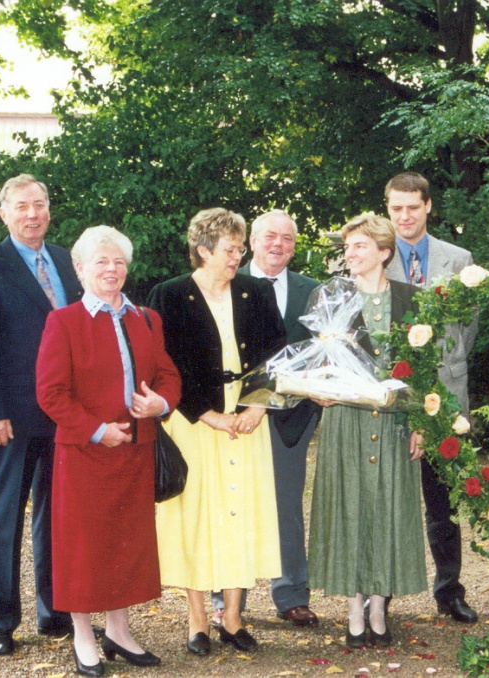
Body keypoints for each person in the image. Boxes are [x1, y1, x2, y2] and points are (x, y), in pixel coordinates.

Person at [35, 226, 182, 676]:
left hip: (136, 452)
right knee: (82, 548)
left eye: (118, 261)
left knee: (127, 546)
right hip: (85, 454)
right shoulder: (63, 322)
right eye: (100, 261)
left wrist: (159, 404)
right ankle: (83, 635)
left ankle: (118, 630)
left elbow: (168, 376)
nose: (111, 269)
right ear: (79, 269)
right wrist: (97, 430)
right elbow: (50, 393)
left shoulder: (147, 319)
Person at [148, 208, 286, 656]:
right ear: (204, 250)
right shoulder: (168, 295)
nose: (238, 256)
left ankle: (232, 618)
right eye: (230, 248)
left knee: (240, 515)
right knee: (195, 518)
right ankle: (196, 620)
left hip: (248, 420)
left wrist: (256, 407)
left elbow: (276, 354)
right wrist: (211, 415)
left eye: (240, 247)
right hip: (195, 422)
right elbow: (166, 365)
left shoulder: (255, 290)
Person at [0, 174, 82, 656]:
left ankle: (55, 610)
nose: (33, 214)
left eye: (41, 204)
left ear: (50, 209)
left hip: (64, 415)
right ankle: (1, 619)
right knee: (3, 518)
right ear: (4, 214)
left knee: (57, 517)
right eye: (23, 207)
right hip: (11, 416)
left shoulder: (69, 262)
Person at [308, 213, 428, 649]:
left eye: (359, 246)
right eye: (348, 247)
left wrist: (420, 422)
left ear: (383, 251)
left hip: (395, 422)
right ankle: (353, 608)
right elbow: (313, 359)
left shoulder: (411, 298)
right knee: (350, 507)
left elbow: (424, 367)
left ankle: (380, 605)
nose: (350, 254)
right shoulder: (330, 297)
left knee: (389, 509)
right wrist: (317, 387)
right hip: (346, 421)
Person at [209, 210, 322, 628]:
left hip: (290, 419)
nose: (278, 244)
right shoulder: (224, 284)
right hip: (233, 417)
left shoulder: (315, 292)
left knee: (286, 506)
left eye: (288, 239)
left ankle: (291, 593)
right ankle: (224, 595)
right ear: (252, 241)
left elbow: (324, 353)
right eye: (270, 236)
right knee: (231, 503)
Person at [383, 172, 479, 624]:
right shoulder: (374, 257)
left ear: (428, 207)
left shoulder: (459, 260)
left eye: (412, 207)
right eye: (396, 207)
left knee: (443, 502)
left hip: (446, 397)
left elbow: (469, 329)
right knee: (388, 497)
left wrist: (447, 368)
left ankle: (449, 589)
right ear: (387, 209)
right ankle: (381, 592)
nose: (404, 216)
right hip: (392, 399)